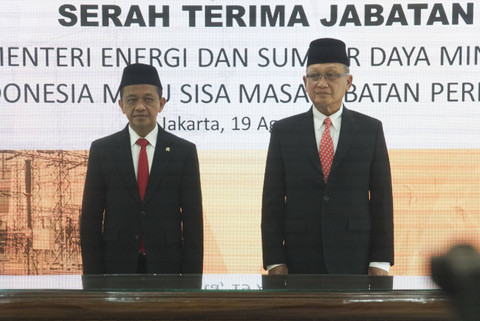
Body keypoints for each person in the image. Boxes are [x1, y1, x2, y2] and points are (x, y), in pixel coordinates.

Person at [261, 38, 394, 275]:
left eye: (331, 75)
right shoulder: (284, 132)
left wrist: (380, 260)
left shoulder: (370, 130)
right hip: (299, 258)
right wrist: (274, 260)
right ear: (305, 82)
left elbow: (382, 199)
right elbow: (272, 201)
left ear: (349, 82)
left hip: (356, 256)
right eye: (314, 76)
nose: (322, 83)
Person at [80, 63, 203, 274]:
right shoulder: (103, 150)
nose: (139, 107)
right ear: (121, 105)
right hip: (115, 267)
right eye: (131, 100)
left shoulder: (183, 152)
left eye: (148, 99)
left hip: (168, 267)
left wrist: (192, 282)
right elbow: (90, 220)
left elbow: (193, 223)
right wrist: (93, 279)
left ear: (161, 103)